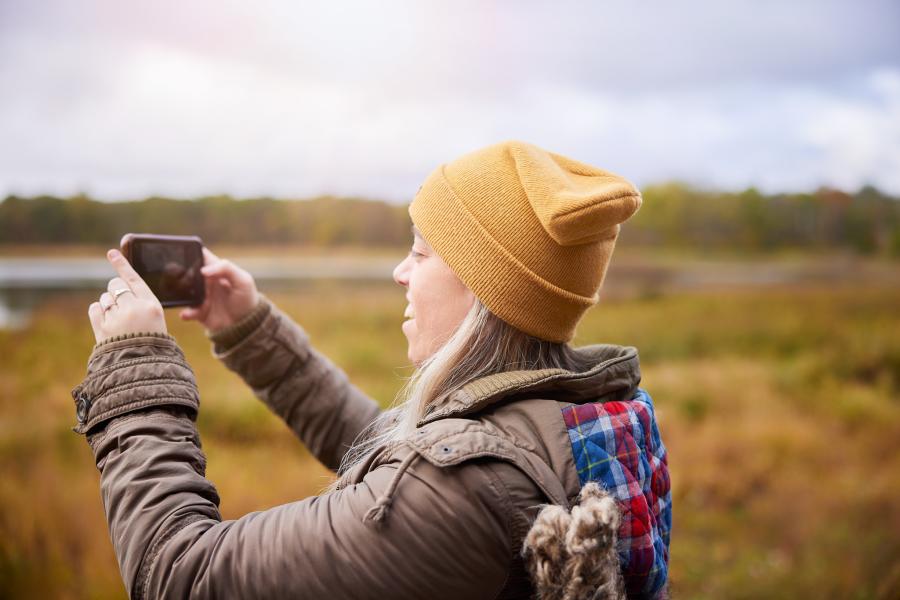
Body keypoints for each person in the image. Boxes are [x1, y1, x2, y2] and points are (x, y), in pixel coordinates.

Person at [74, 140, 671, 599]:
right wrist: (250, 328)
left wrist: (135, 365)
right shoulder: (561, 419)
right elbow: (391, 447)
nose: (400, 273)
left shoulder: (466, 494)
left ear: (485, 289)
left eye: (419, 251)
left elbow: (179, 575)